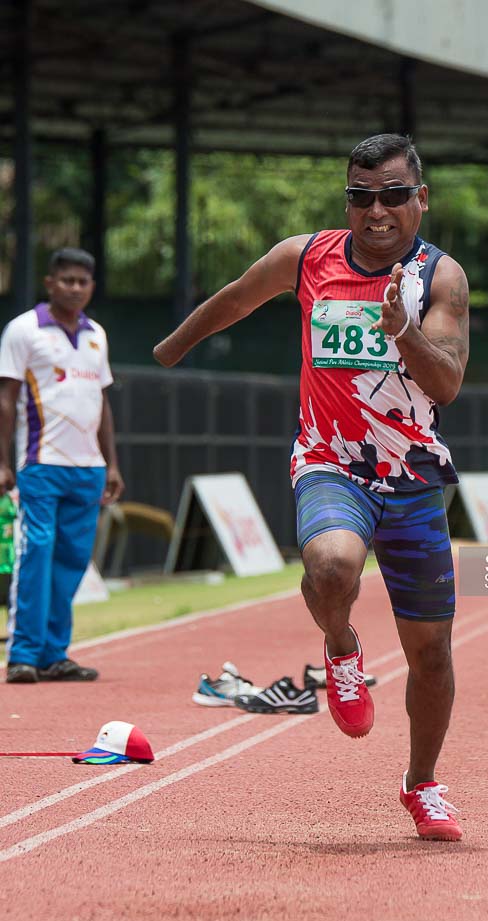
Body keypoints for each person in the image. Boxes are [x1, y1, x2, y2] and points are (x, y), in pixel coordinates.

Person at [153, 134, 469, 841]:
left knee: (431, 654)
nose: (377, 211)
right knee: (330, 568)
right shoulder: (306, 258)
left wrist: (404, 332)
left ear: (420, 199)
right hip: (330, 461)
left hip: (412, 477)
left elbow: (448, 381)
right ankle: (341, 644)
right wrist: (173, 347)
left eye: (393, 196)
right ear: (347, 200)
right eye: (362, 196)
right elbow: (237, 300)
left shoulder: (441, 277)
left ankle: (422, 784)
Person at [0, 248, 124, 683]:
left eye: (82, 282)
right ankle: (23, 654)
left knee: (72, 561)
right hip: (40, 463)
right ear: (50, 283)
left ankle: (54, 654)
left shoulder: (96, 335)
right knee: (36, 553)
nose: (75, 288)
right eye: (67, 280)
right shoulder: (24, 330)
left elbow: (101, 401)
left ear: (91, 287)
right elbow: (5, 400)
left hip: (88, 468)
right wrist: (2, 462)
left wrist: (111, 464)